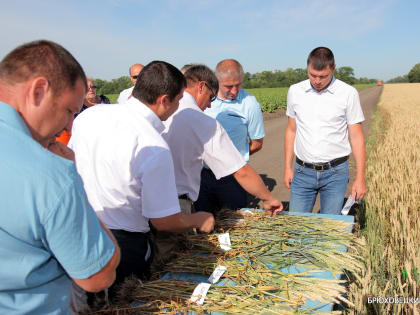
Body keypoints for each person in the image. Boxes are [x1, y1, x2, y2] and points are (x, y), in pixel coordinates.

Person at [69, 61, 215, 300]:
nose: (178, 106)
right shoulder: (153, 145)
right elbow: (164, 221)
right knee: (122, 303)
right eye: (178, 100)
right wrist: (198, 219)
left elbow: (70, 162)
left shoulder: (89, 117)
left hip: (81, 231)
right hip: (123, 245)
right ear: (164, 100)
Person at [0, 40, 120, 314]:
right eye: (69, 111)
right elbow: (98, 276)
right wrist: (74, 181)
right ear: (39, 91)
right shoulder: (50, 174)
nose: (68, 126)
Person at [163, 64, 283, 216]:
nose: (209, 105)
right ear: (201, 87)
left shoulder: (162, 108)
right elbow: (241, 172)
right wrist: (268, 199)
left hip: (149, 200)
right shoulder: (202, 121)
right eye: (211, 97)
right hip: (176, 204)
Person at [284, 47, 367, 214]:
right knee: (297, 228)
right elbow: (291, 130)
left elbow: (357, 137)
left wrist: (360, 178)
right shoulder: (295, 91)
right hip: (302, 171)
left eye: (323, 76)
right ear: (307, 68)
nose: (317, 80)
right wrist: (287, 167)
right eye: (312, 75)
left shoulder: (348, 93)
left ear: (333, 68)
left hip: (335, 173)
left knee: (329, 229)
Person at [194, 59, 265, 212]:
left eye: (238, 85)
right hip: (202, 175)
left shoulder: (250, 104)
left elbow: (257, 143)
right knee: (205, 226)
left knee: (235, 226)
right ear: (216, 81)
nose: (234, 91)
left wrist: (233, 157)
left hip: (233, 177)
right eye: (228, 86)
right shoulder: (204, 101)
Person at [56, 77, 110, 145]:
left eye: (93, 87)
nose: (91, 90)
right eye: (88, 88)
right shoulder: (78, 106)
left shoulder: (104, 100)